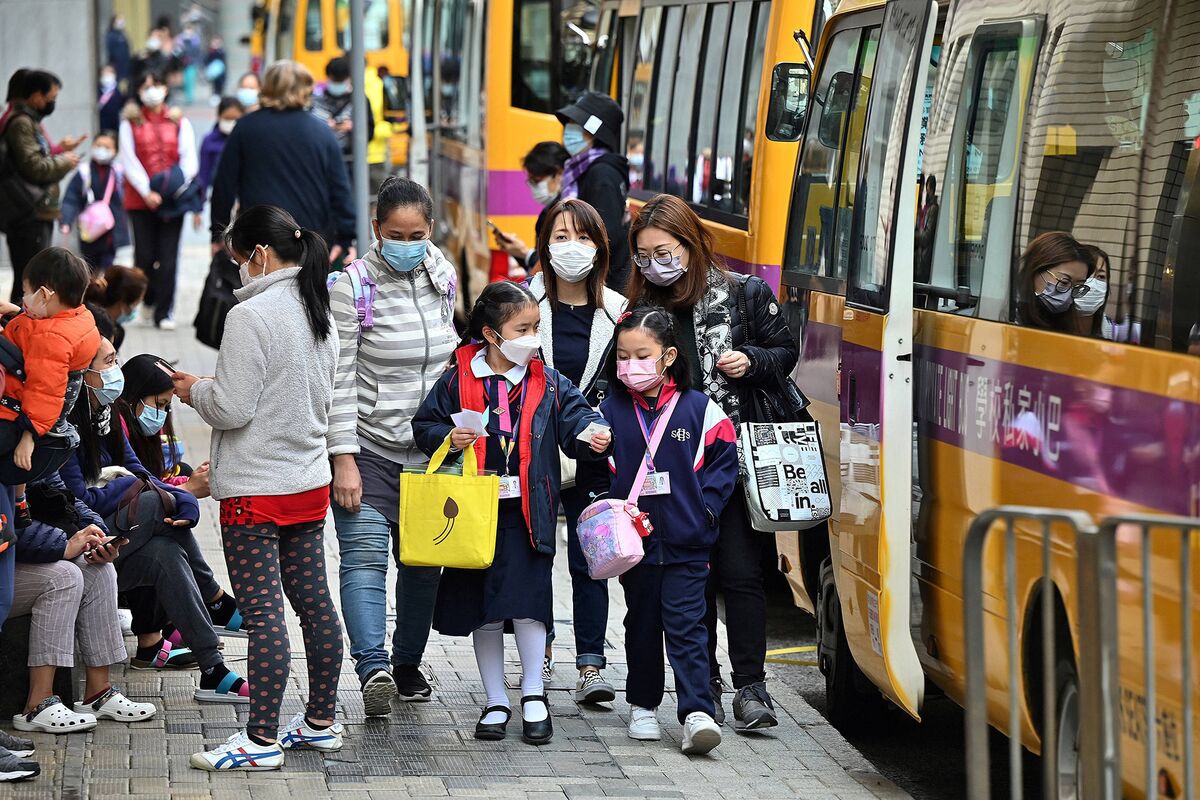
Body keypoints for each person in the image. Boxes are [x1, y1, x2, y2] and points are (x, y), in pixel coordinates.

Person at [172, 205, 343, 771]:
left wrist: (195, 389)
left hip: (256, 490)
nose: (236, 270)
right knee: (316, 606)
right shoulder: (319, 305)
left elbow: (232, 407)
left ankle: (261, 738)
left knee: (264, 613)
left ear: (260, 255)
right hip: (307, 483)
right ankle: (320, 722)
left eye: (237, 258)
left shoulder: (252, 317)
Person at [411, 281, 611, 746]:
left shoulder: (547, 380)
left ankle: (535, 695)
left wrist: (593, 435)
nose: (533, 337)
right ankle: (495, 698)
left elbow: (578, 420)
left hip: (529, 511)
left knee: (528, 606)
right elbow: (425, 424)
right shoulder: (459, 376)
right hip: (472, 512)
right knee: (484, 610)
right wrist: (448, 437)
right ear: (491, 334)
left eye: (537, 327)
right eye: (523, 328)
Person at [626, 194, 799, 729]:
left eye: (665, 251)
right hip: (672, 476)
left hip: (736, 465)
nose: (656, 264)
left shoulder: (742, 294)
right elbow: (617, 378)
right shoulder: (639, 314)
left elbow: (785, 351)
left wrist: (750, 361)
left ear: (692, 243)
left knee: (743, 576)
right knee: (689, 583)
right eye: (644, 255)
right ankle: (704, 686)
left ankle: (752, 687)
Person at [328, 177, 457, 714]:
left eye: (418, 233)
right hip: (369, 450)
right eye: (396, 233)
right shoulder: (350, 286)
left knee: (424, 565)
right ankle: (372, 666)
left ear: (431, 230)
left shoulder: (443, 274)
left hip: (433, 453)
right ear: (376, 229)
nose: (407, 243)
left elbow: (453, 360)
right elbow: (337, 377)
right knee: (364, 560)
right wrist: (343, 460)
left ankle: (405, 666)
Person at [58, 341, 250, 698]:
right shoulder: (66, 425)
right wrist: (157, 492)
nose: (116, 369)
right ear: (84, 373)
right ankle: (215, 599)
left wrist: (182, 499)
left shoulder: (108, 416)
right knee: (152, 505)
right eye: (110, 361)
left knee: (166, 552)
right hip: (82, 540)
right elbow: (80, 502)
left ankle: (213, 668)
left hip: (116, 544)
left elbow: (140, 474)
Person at [601, 306, 739, 754]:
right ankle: (642, 705)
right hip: (633, 545)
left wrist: (707, 513)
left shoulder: (701, 410)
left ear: (668, 355)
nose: (630, 365)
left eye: (642, 354)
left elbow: (723, 464)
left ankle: (696, 710)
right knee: (640, 623)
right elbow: (596, 472)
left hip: (687, 540)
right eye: (623, 355)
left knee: (688, 625)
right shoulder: (609, 409)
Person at [526, 197, 626, 699]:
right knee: (535, 554)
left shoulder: (620, 312)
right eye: (560, 237)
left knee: (592, 557)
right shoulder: (523, 306)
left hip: (594, 452)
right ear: (543, 245)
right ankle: (537, 656)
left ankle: (591, 665)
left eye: (583, 237)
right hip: (536, 452)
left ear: (600, 247)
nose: (572, 247)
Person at [10, 471, 157, 733]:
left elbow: (64, 497)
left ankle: (98, 694)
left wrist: (92, 533)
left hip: (18, 558)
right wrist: (63, 545)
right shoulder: (12, 442)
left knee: (97, 569)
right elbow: (11, 521)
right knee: (63, 576)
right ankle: (37, 704)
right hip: (8, 563)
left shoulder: (36, 442)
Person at [210, 61, 356, 265]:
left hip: (259, 236)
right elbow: (339, 188)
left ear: (267, 87)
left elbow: (224, 185)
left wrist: (218, 235)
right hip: (309, 237)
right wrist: (347, 237)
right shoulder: (322, 132)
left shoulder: (246, 128)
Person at [0, 248, 100, 527]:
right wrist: (19, 314)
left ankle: (19, 505)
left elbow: (44, 391)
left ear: (45, 295)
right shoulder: (78, 320)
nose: (23, 299)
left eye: (26, 292)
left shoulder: (51, 339)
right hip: (32, 414)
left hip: (17, 416)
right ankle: (20, 503)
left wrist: (28, 435)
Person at [117, 70, 198, 330]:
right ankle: (147, 301)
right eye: (146, 85)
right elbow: (129, 161)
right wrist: (146, 191)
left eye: (156, 84)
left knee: (169, 257)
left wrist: (173, 188)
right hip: (140, 202)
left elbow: (189, 160)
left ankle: (166, 312)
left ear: (165, 88)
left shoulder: (179, 122)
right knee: (144, 256)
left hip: (173, 201)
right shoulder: (129, 123)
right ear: (139, 91)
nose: (152, 90)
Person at [1, 70, 83, 305]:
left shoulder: (27, 122)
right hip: (28, 210)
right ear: (37, 95)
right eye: (51, 96)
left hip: (32, 209)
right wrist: (64, 162)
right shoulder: (21, 123)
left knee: (30, 276)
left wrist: (57, 151)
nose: (52, 102)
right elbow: (34, 166)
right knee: (29, 279)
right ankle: (16, 331)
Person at [553, 92, 630, 291]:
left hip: (602, 285)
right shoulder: (586, 169)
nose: (568, 131)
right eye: (569, 123)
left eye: (575, 124)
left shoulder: (602, 175)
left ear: (593, 132)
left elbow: (605, 235)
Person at [493, 141, 570, 272]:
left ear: (559, 173)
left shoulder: (567, 212)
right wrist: (520, 253)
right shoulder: (550, 210)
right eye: (530, 181)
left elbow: (556, 265)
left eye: (537, 180)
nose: (533, 186)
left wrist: (526, 253)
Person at [59, 131, 130, 273]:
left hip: (113, 233)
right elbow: (71, 198)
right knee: (89, 271)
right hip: (89, 233)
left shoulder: (119, 173)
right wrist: (66, 220)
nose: (102, 150)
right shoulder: (84, 172)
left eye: (107, 147)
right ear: (92, 146)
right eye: (99, 145)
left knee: (112, 273)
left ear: (115, 151)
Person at [1015, 231, 1095, 333]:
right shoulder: (1011, 316)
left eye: (1078, 287)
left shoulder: (1071, 322)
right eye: (1064, 282)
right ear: (1035, 270)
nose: (1068, 295)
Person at [311, 56, 374, 182]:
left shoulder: (360, 100)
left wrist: (353, 128)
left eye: (341, 80)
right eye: (335, 80)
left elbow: (370, 131)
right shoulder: (315, 100)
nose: (338, 84)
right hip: (320, 162)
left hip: (350, 162)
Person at [195, 97, 244, 225]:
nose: (231, 122)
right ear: (219, 116)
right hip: (219, 200)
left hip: (244, 203)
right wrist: (198, 208)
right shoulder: (210, 140)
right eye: (227, 118)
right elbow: (203, 175)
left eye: (236, 119)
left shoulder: (246, 140)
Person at [84, 265, 148, 352]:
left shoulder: (85, 311)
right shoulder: (109, 331)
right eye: (137, 303)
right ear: (123, 304)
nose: (135, 309)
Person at [1075, 243, 1113, 339]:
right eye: (1086, 274)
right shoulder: (1050, 326)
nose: (1092, 284)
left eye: (1100, 276)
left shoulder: (1107, 330)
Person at [914, 175, 939, 284]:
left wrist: (913, 236)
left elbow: (926, 237)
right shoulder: (924, 209)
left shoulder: (933, 209)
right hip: (919, 259)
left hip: (924, 260)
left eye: (927, 190)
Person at [176, 24, 203, 105]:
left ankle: (189, 97)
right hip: (182, 64)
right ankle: (187, 96)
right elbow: (178, 51)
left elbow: (197, 53)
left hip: (192, 63)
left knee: (190, 80)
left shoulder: (195, 40)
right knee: (185, 81)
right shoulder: (180, 40)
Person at [105, 16, 132, 88]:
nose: (121, 23)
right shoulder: (111, 35)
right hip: (116, 65)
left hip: (125, 64)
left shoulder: (123, 34)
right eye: (119, 21)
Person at [97, 66, 124, 132]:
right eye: (104, 73)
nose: (107, 75)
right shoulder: (98, 91)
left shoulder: (119, 91)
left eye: (109, 73)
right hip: (101, 125)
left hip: (115, 124)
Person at [204, 38, 228, 103]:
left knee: (220, 85)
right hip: (213, 73)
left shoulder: (221, 52)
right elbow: (206, 61)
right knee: (214, 85)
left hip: (220, 73)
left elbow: (223, 62)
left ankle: (219, 96)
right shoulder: (210, 52)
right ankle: (214, 96)